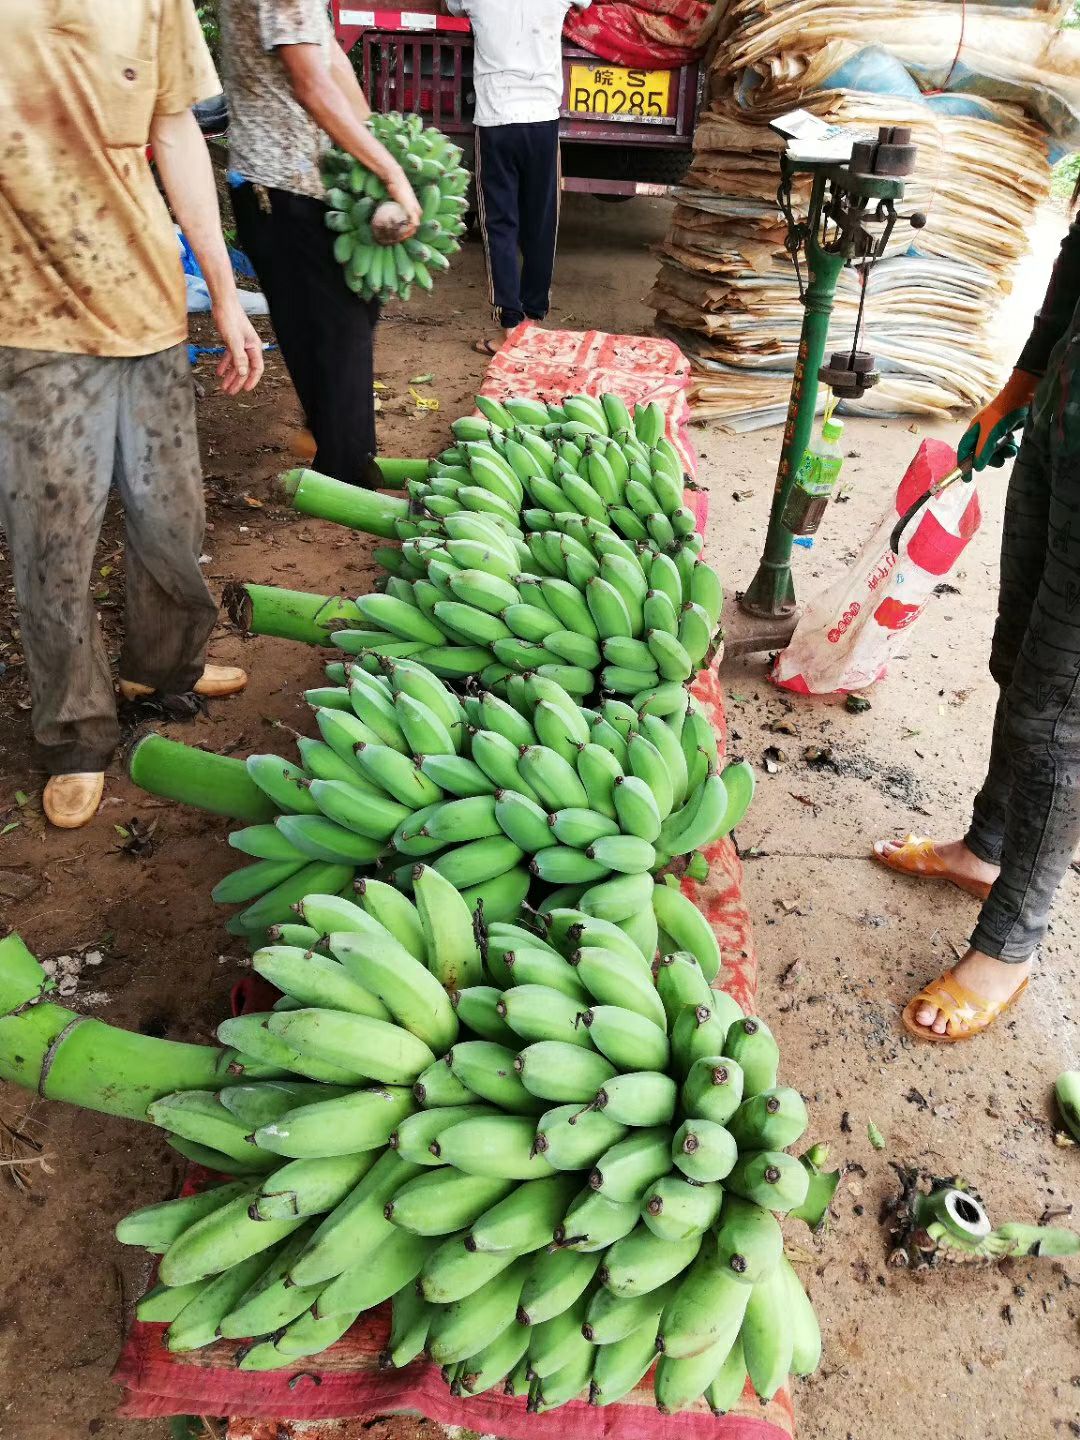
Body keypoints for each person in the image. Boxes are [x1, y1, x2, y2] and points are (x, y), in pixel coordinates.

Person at [0, 1, 265, 831]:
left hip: (147, 303)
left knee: (169, 517)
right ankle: (74, 733)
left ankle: (164, 670)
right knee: (54, 542)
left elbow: (177, 129)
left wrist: (223, 297)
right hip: (30, 318)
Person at [873, 214, 1080, 1042]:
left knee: (1059, 717)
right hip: (1066, 419)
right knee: (1016, 655)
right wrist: (1021, 387)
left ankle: (1010, 946)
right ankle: (983, 849)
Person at [217, 1, 422, 488]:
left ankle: (334, 445)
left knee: (345, 320)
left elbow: (325, 51)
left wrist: (378, 140)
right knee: (336, 333)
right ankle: (346, 477)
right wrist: (388, 170)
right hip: (282, 188)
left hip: (312, 186)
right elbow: (310, 82)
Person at [443, 0, 592, 354]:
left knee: (499, 224)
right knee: (541, 223)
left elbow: (450, 7)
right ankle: (533, 321)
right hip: (541, 118)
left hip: (496, 118)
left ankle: (510, 326)